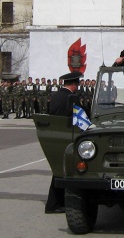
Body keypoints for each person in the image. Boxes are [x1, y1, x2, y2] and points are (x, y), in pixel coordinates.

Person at [45, 71, 83, 214]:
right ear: (73, 85)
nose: (78, 87)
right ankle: (53, 204)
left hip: (54, 135)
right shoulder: (71, 97)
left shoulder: (56, 96)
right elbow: (80, 115)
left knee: (58, 170)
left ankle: (55, 203)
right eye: (77, 84)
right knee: (64, 171)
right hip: (67, 136)